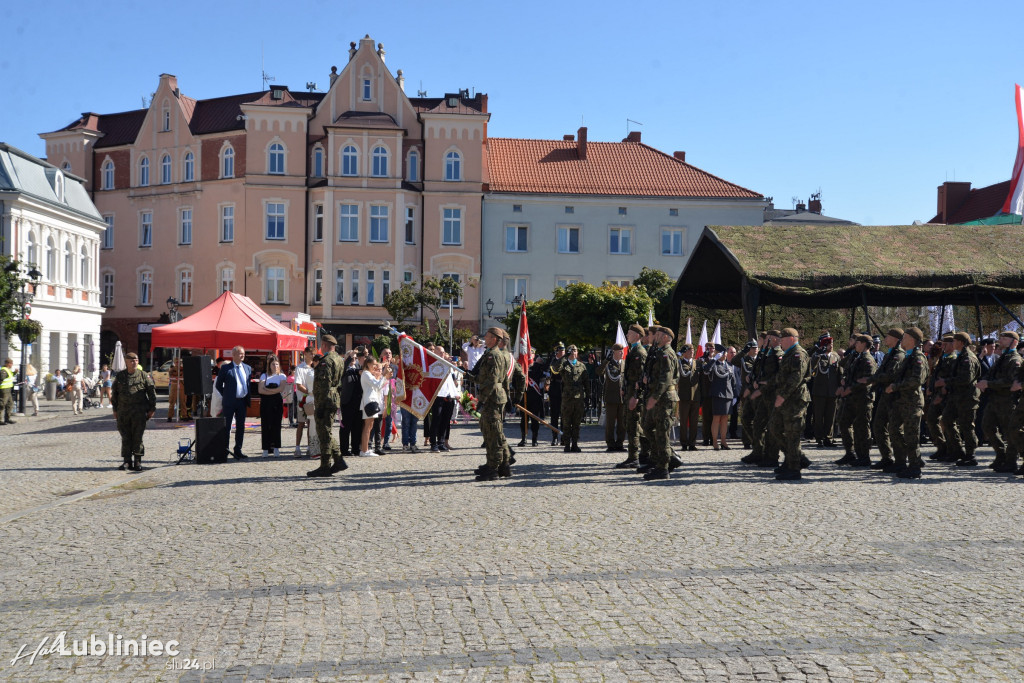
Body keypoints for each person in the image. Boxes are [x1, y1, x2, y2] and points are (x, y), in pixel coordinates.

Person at [886, 327, 929, 479]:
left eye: (904, 337)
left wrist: (895, 386)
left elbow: (917, 380)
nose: (902, 340)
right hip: (901, 401)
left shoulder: (918, 357)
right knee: (894, 430)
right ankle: (900, 461)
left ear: (911, 339)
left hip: (912, 402)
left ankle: (915, 466)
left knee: (912, 436)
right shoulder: (908, 357)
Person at [977, 330, 1022, 473]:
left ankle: (1010, 461)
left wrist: (989, 384)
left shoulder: (1014, 359)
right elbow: (991, 374)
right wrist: (984, 382)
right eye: (1000, 337)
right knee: (987, 426)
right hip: (994, 399)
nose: (1000, 340)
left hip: (1007, 400)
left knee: (1010, 431)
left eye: (1004, 338)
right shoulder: (1001, 357)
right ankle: (1001, 454)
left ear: (1014, 342)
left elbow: (1010, 381)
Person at [862, 328, 905, 470]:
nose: (885, 338)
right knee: (878, 425)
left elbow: (890, 375)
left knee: (895, 429)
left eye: (887, 336)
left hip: (895, 397)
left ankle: (900, 461)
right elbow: (881, 372)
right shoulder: (889, 355)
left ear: (895, 338)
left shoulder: (899, 356)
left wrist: (870, 379)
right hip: (885, 396)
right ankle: (886, 457)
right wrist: (874, 379)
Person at [772, 328, 811, 481]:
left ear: (792, 339)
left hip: (795, 399)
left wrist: (782, 395)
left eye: (783, 338)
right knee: (775, 428)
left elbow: (796, 377)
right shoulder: (788, 354)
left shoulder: (798, 354)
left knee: (792, 434)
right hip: (786, 399)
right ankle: (795, 458)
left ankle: (794, 468)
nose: (780, 341)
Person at [642, 326, 681, 480]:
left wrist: (654, 397)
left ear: (665, 337)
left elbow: (665, 379)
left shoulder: (666, 354)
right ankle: (669, 457)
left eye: (658, 334)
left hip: (664, 399)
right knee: (647, 428)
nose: (655, 336)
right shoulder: (658, 352)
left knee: (661, 433)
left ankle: (663, 468)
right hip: (658, 397)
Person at [939, 331, 981, 466]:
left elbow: (965, 379)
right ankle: (957, 449)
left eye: (955, 341)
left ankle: (970, 455)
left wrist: (946, 382)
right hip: (957, 396)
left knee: (967, 426)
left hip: (967, 397)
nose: (953, 343)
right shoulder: (961, 356)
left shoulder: (968, 357)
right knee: (946, 419)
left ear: (961, 343)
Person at [474, 328, 511, 481]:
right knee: (492, 431)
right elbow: (485, 377)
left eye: (488, 337)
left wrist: (481, 400)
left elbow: (492, 380)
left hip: (492, 398)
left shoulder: (494, 355)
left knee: (493, 433)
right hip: (493, 397)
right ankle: (502, 465)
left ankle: (493, 467)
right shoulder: (491, 354)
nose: (485, 339)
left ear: (495, 339)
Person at [835, 334, 877, 466]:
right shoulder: (856, 357)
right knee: (843, 422)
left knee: (862, 428)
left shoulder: (868, 359)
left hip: (863, 398)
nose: (855, 344)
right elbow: (849, 374)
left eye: (858, 342)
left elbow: (867, 380)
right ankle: (850, 453)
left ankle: (864, 457)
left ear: (864, 344)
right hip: (852, 397)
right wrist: (844, 385)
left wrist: (850, 388)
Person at [111, 352, 157, 471]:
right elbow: (114, 394)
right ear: (126, 362)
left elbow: (151, 393)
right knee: (125, 437)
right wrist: (114, 409)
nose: (134, 362)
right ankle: (127, 461)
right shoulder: (120, 376)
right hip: (123, 412)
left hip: (139, 412)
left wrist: (152, 409)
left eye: (136, 360)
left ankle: (137, 461)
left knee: (137, 437)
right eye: (131, 360)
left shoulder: (143, 375)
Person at [308, 334, 345, 477]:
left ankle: (326, 465)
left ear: (323, 345)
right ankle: (337, 460)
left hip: (325, 399)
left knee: (324, 432)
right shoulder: (339, 359)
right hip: (334, 398)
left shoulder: (326, 361)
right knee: (326, 431)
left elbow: (324, 385)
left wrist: (321, 406)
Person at [214, 345, 252, 459]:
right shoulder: (226, 368)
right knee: (227, 426)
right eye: (240, 353)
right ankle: (225, 450)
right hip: (230, 402)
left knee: (241, 427)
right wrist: (227, 395)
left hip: (242, 402)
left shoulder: (247, 368)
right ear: (233, 354)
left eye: (244, 354)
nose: (242, 356)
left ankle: (238, 449)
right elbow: (218, 385)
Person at [924, 335, 958, 462]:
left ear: (952, 345)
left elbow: (953, 379)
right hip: (936, 394)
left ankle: (953, 449)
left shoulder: (954, 359)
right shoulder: (943, 358)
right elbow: (934, 375)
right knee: (931, 419)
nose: (942, 346)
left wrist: (942, 393)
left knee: (947, 423)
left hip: (946, 396)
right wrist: (931, 388)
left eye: (945, 344)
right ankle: (941, 446)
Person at [553, 344, 589, 453]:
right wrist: (564, 357)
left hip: (578, 398)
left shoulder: (582, 366)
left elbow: (586, 383)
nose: (574, 353)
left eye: (575, 351)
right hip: (567, 399)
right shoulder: (564, 364)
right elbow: (555, 369)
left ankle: (575, 444)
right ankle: (567, 444)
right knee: (567, 422)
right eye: (571, 351)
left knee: (577, 423)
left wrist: (588, 396)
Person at [810, 333, 841, 447]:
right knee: (818, 416)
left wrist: (840, 387)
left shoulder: (835, 356)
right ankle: (819, 438)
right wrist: (818, 353)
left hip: (832, 392)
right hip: (819, 391)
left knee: (830, 416)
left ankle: (828, 437)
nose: (831, 346)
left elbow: (839, 373)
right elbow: (811, 367)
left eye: (832, 344)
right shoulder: (817, 356)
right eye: (828, 344)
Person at [339, 348, 366, 459]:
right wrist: (350, 356)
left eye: (355, 358)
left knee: (357, 427)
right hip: (347, 402)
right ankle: (344, 449)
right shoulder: (344, 368)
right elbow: (344, 368)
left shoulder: (359, 368)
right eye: (351, 358)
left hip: (358, 401)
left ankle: (355, 448)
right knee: (346, 427)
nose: (353, 359)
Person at [359, 357, 389, 457]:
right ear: (368, 364)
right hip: (369, 401)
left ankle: (365, 449)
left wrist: (383, 377)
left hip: (371, 401)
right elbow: (377, 385)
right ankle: (364, 450)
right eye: (374, 364)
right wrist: (384, 376)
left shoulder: (368, 374)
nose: (375, 366)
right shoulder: (366, 374)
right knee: (368, 427)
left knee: (369, 426)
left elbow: (379, 386)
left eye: (376, 364)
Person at [707, 344, 735, 450]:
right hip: (718, 394)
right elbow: (705, 370)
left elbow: (733, 382)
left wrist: (735, 395)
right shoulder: (714, 364)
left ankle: (723, 440)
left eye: (725, 353)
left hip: (728, 394)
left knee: (725, 419)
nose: (724, 354)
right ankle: (715, 441)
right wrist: (714, 359)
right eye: (722, 353)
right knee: (716, 418)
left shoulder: (729, 365)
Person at [258, 354, 286, 458]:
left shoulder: (282, 376)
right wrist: (273, 391)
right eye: (273, 364)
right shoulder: (264, 376)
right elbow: (260, 390)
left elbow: (281, 389)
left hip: (277, 403)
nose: (275, 366)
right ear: (269, 365)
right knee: (265, 425)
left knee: (276, 426)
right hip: (265, 403)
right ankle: (265, 448)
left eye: (277, 364)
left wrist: (267, 390)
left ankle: (276, 448)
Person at [600, 344, 626, 452]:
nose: (622, 353)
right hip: (611, 397)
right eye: (619, 351)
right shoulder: (608, 364)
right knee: (610, 423)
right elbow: (599, 371)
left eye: (622, 351)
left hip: (622, 397)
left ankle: (620, 443)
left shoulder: (624, 363)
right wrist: (606, 360)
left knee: (622, 423)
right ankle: (610, 444)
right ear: (614, 352)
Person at [677, 344, 700, 451]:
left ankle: (692, 443)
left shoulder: (696, 362)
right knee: (683, 421)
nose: (691, 352)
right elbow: (683, 375)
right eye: (689, 351)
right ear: (684, 352)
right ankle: (684, 443)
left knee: (694, 422)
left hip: (695, 396)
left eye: (693, 350)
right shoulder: (680, 362)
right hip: (684, 396)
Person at [292, 349, 315, 457]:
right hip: (303, 400)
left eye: (313, 354)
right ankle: (297, 447)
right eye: (311, 353)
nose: (312, 355)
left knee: (311, 424)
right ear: (305, 354)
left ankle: (310, 447)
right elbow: (299, 385)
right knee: (301, 423)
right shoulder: (300, 368)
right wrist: (309, 392)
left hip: (313, 400)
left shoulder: (315, 367)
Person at [523, 349, 546, 447]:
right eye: (528, 353)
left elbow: (543, 378)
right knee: (523, 420)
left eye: (531, 353)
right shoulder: (523, 366)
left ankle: (534, 439)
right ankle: (523, 439)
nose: (530, 355)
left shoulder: (538, 367)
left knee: (534, 420)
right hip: (525, 396)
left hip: (535, 397)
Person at [547, 342, 565, 445]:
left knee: (564, 415)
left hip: (564, 390)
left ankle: (563, 436)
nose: (563, 352)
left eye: (563, 350)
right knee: (554, 415)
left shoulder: (567, 361)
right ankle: (554, 437)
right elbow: (554, 371)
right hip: (554, 391)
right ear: (556, 352)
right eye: (561, 350)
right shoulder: (553, 362)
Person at [0, 358, 16, 424]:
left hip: (8, 389)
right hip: (4, 389)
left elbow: (10, 376)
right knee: (2, 404)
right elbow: (1, 379)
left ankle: (7, 418)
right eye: (11, 363)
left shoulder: (8, 370)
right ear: (8, 363)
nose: (11, 365)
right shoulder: (3, 370)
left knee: (10, 404)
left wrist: (15, 373)